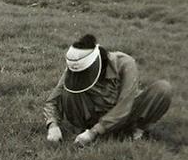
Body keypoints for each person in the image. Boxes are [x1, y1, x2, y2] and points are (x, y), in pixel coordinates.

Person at [44, 34, 173, 146]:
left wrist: (94, 132)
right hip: (92, 115)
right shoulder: (75, 68)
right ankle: (80, 130)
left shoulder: (125, 63)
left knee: (163, 88)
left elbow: (125, 105)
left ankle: (137, 130)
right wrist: (52, 126)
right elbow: (53, 99)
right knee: (67, 91)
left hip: (124, 114)